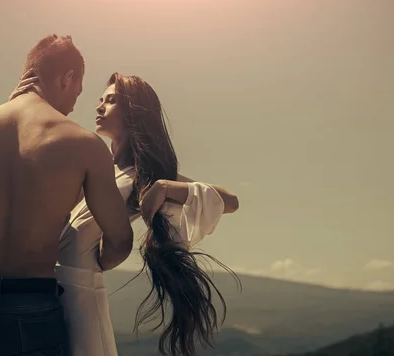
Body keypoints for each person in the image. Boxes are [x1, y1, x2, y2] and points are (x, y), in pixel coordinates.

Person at [0, 35, 133, 356]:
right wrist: (86, 262)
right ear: (68, 77)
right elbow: (119, 240)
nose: (75, 102)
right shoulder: (84, 145)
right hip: (33, 305)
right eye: (79, 90)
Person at [12, 71, 240, 356]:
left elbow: (230, 201)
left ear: (134, 112)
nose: (99, 106)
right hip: (41, 293)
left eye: (111, 101)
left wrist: (166, 187)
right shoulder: (94, 168)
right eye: (100, 100)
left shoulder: (141, 176)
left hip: (78, 300)